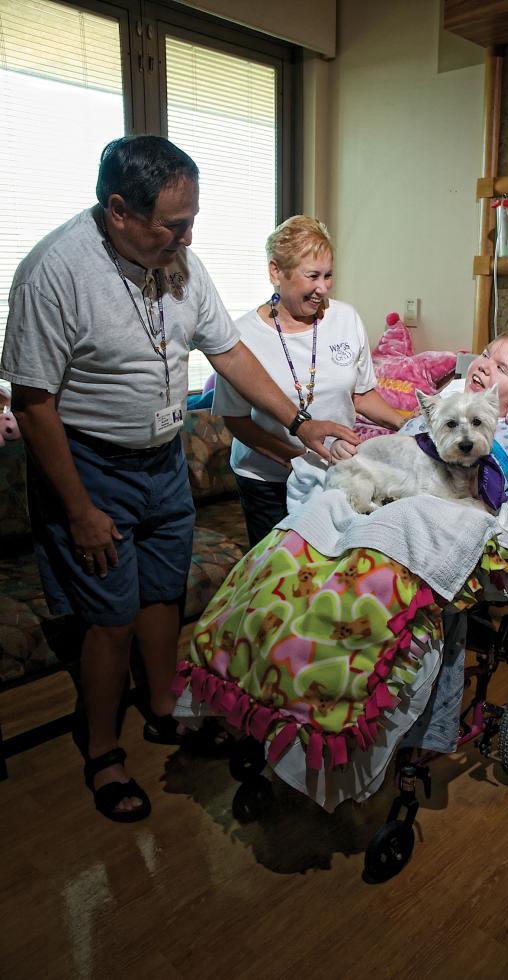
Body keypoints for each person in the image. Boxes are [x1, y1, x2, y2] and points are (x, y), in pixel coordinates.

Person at [0, 136, 357, 823]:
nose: (188, 236)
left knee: (162, 595)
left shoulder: (181, 263)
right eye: (173, 224)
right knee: (108, 619)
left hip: (163, 461)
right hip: (90, 466)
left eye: (192, 220)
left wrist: (302, 421)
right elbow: (34, 402)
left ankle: (163, 706)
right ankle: (102, 748)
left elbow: (228, 351)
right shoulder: (55, 272)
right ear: (118, 211)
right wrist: (78, 508)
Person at [400, 330, 508, 757]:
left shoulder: (505, 437)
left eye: (502, 367)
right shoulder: (442, 405)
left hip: (443, 527)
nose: (485, 363)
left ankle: (423, 725)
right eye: (486, 354)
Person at [215, 215, 406, 547]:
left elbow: (360, 395)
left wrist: (404, 423)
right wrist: (295, 457)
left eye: (328, 275)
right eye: (312, 276)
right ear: (276, 272)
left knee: (329, 568)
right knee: (278, 574)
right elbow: (236, 420)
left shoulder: (345, 319)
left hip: (337, 473)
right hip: (267, 480)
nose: (324, 287)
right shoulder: (243, 335)